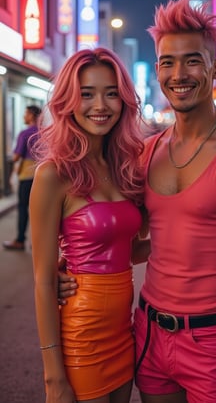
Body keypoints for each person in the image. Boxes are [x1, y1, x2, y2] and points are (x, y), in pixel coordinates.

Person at [59, 0, 216, 403]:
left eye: (192, 61)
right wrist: (75, 265)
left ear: (215, 67)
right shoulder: (148, 152)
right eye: (167, 62)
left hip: (212, 340)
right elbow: (141, 244)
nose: (178, 74)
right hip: (147, 333)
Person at [29, 47, 150, 403]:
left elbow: (127, 250)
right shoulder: (53, 174)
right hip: (81, 336)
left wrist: (183, 235)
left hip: (124, 332)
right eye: (87, 94)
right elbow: (43, 280)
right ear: (68, 101)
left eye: (111, 93)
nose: (101, 105)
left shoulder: (126, 167)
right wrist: (53, 376)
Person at [3, 104, 41, 251]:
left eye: (26, 113)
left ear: (31, 115)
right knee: (41, 210)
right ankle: (39, 242)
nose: (24, 116)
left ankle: (20, 240)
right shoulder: (46, 133)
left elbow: (17, 155)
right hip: (43, 177)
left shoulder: (25, 134)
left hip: (27, 176)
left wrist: (10, 172)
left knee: (23, 207)